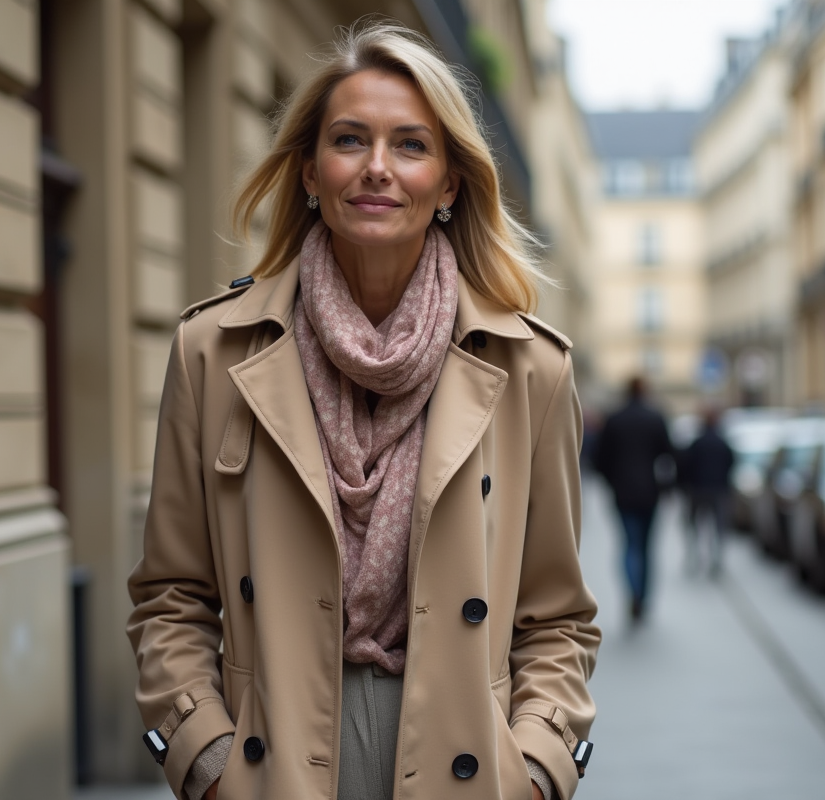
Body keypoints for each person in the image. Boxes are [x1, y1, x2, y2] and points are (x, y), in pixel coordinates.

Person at [126, 20, 600, 800]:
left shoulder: (529, 369)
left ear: (448, 183)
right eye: (350, 140)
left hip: (464, 767)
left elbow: (558, 620)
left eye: (411, 145)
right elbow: (170, 597)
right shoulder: (214, 352)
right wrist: (204, 759)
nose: (377, 168)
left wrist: (538, 767)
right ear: (311, 172)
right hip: (271, 768)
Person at [592, 376, 673, 621]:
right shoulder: (655, 417)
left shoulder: (614, 419)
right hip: (650, 492)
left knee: (629, 544)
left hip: (623, 493)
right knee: (647, 548)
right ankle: (643, 597)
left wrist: (612, 481)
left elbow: (599, 459)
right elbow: (669, 454)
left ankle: (633, 593)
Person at [679, 409, 735, 576]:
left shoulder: (697, 443)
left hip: (697, 490)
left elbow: (686, 466)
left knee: (694, 526)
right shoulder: (722, 443)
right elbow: (730, 464)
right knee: (718, 527)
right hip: (718, 489)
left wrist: (685, 486)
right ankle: (716, 559)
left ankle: (694, 557)